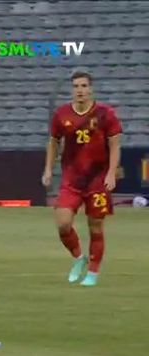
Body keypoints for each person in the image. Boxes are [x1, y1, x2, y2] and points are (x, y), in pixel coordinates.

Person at [43, 69, 122, 287]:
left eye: (84, 86)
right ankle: (79, 257)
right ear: (72, 89)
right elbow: (53, 143)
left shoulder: (105, 114)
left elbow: (115, 145)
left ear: (91, 89)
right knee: (63, 224)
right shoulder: (62, 115)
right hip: (72, 180)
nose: (80, 90)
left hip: (97, 180)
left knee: (95, 228)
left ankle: (93, 273)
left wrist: (111, 173)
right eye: (76, 86)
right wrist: (48, 169)